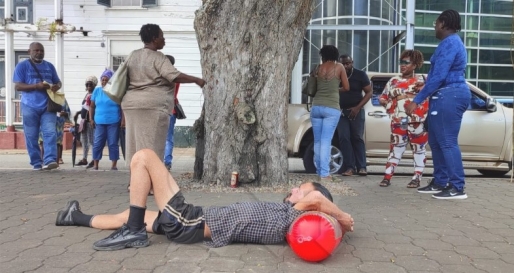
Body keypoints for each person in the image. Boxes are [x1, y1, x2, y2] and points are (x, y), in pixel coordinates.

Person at [55, 149, 354, 250]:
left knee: (144, 157)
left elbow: (317, 197)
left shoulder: (292, 216)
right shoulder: (284, 215)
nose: (294, 191)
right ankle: (74, 216)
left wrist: (341, 216)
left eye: (299, 190)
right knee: (128, 213)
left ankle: (133, 232)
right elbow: (314, 198)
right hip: (191, 222)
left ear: (311, 205)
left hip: (191, 222)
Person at [405, 10, 471, 200]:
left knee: (447, 141)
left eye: (436, 23)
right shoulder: (449, 43)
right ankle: (440, 181)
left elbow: (439, 76)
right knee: (435, 141)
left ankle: (457, 187)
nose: (434, 26)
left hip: (450, 94)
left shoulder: (450, 43)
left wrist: (416, 101)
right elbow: (437, 76)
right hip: (443, 95)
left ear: (443, 23)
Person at [122, 24, 206, 172]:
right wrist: (196, 80)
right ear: (154, 39)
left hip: (131, 105)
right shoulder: (158, 57)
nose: (164, 39)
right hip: (153, 107)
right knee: (152, 147)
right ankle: (148, 183)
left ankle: (134, 181)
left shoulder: (132, 55)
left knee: (134, 145)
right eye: (162, 36)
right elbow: (174, 76)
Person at [378, 50, 429, 188]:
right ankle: (387, 177)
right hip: (398, 121)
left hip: (418, 121)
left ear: (415, 64)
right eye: (401, 62)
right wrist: (388, 105)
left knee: (419, 149)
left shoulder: (424, 80)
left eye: (406, 62)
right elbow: (382, 97)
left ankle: (416, 178)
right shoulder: (394, 80)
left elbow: (431, 95)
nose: (402, 65)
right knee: (395, 149)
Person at [13, 42, 62, 170]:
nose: (39, 52)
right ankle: (36, 163)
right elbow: (18, 86)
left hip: (48, 106)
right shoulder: (22, 66)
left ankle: (50, 160)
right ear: (29, 51)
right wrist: (36, 86)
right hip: (29, 105)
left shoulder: (49, 66)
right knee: (31, 136)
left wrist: (57, 86)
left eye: (41, 50)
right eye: (36, 50)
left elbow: (58, 82)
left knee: (50, 132)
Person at [310, 45, 350, 181]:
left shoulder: (317, 68)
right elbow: (346, 87)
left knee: (318, 141)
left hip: (316, 107)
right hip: (331, 107)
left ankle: (319, 171)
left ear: (323, 55)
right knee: (326, 141)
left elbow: (312, 88)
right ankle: (325, 174)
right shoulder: (339, 67)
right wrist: (334, 90)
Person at [336, 55, 372, 177]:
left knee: (357, 137)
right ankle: (349, 167)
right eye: (343, 64)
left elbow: (369, 92)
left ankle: (362, 167)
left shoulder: (360, 75)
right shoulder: (336, 75)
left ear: (352, 62)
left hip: (356, 110)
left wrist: (358, 108)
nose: (345, 66)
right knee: (344, 138)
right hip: (341, 111)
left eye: (348, 63)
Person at [90, 69, 122, 171]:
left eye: (106, 80)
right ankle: (95, 164)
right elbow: (91, 106)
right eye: (102, 79)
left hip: (113, 121)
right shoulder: (97, 91)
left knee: (113, 143)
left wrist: (123, 120)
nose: (103, 81)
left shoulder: (115, 91)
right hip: (99, 122)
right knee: (98, 143)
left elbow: (122, 107)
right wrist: (91, 118)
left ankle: (114, 165)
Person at [39, 99, 71, 165]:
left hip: (58, 123)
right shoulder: (43, 97)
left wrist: (63, 113)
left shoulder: (61, 98)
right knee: (43, 141)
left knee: (57, 142)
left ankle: (56, 163)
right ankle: (43, 161)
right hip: (45, 122)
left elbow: (68, 112)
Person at [76, 76, 98, 168]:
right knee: (84, 140)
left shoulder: (95, 94)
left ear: (94, 85)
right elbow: (85, 107)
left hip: (90, 121)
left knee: (91, 140)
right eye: (87, 84)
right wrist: (78, 112)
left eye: (90, 84)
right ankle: (84, 158)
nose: (89, 86)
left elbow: (92, 107)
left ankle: (94, 159)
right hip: (84, 121)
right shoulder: (87, 94)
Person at [163, 55, 180, 171]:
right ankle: (167, 162)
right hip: (172, 109)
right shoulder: (176, 76)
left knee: (158, 138)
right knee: (169, 138)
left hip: (161, 109)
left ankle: (159, 161)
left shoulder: (162, 76)